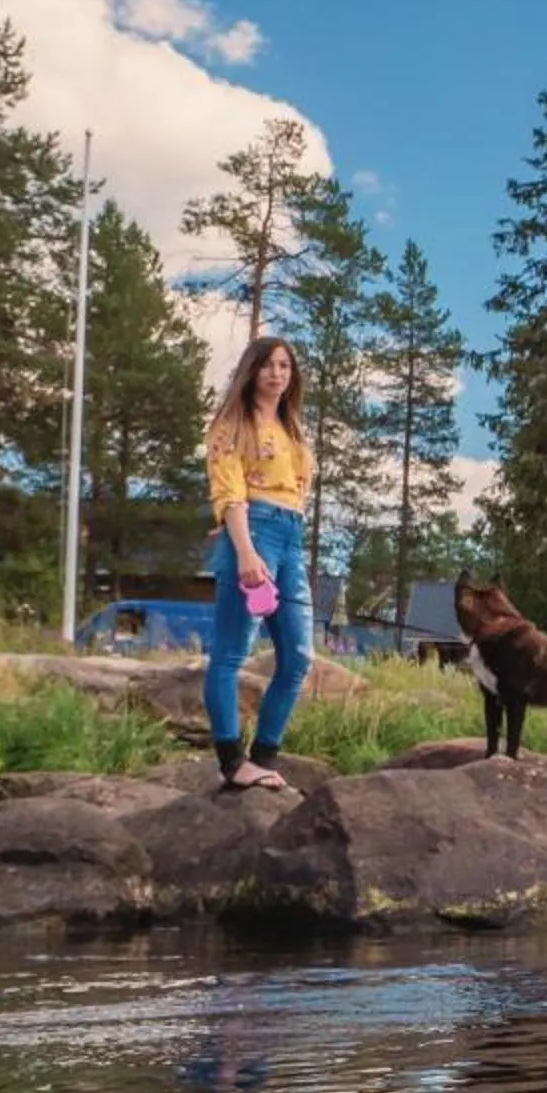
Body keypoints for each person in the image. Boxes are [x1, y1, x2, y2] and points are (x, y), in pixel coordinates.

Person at [203, 335, 316, 792]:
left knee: (298, 657)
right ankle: (232, 762)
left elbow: (298, 490)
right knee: (231, 652)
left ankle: (264, 756)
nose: (277, 374)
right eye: (268, 365)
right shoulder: (233, 424)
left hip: (291, 536)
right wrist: (247, 551)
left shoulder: (293, 429)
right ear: (252, 371)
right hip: (254, 531)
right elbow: (229, 490)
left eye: (285, 367)